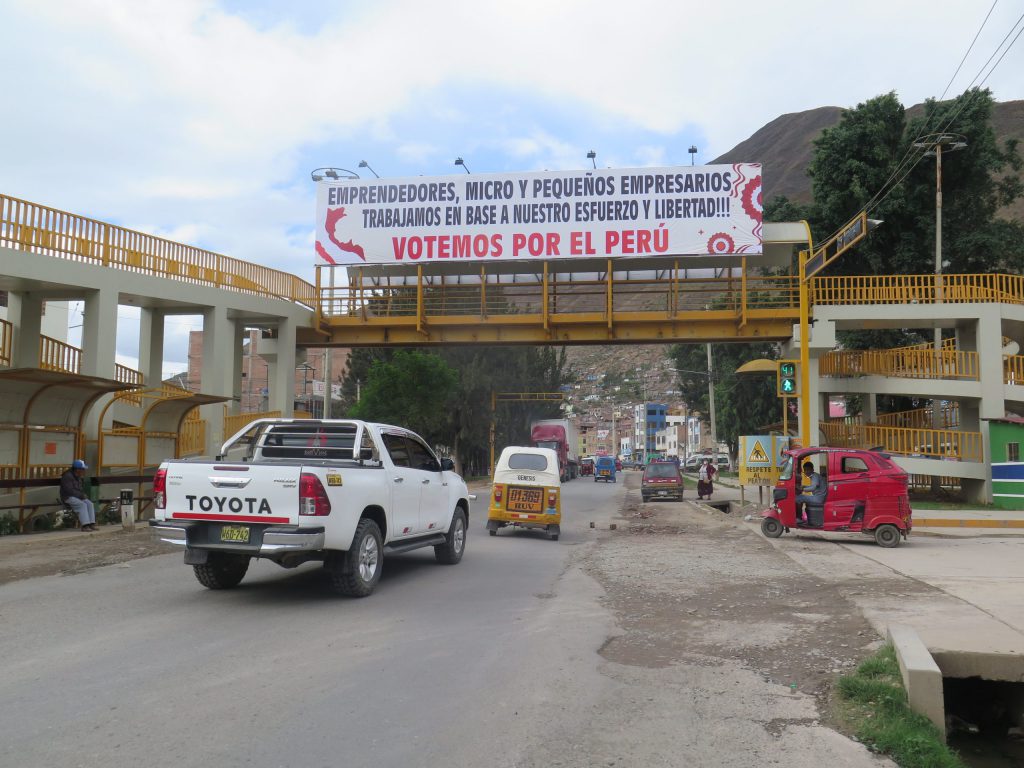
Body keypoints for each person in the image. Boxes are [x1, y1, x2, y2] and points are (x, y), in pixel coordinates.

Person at [60, 459, 97, 531]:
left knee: (89, 504)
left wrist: (82, 495)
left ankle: (91, 524)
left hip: (77, 496)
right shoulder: (67, 476)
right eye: (83, 469)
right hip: (67, 497)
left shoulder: (78, 476)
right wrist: (81, 495)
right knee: (82, 505)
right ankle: (85, 525)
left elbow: (79, 489)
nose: (84, 471)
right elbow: (69, 490)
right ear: (77, 469)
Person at [795, 460, 826, 524]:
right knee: (800, 498)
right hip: (818, 497)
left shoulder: (815, 476)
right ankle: (799, 517)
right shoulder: (815, 476)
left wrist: (802, 489)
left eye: (808, 470)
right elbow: (814, 486)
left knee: (798, 498)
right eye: (805, 470)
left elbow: (813, 488)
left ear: (812, 469)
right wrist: (804, 486)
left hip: (818, 498)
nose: (806, 472)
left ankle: (799, 518)